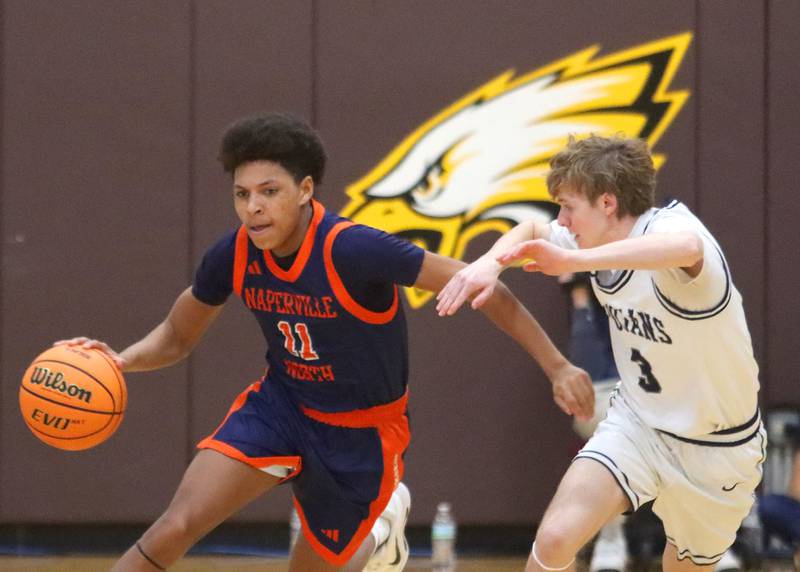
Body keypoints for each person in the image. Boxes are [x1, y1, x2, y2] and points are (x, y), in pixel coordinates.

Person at [57, 112, 593, 572]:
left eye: (270, 192)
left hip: (361, 434)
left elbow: (485, 288)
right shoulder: (235, 253)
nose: (253, 209)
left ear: (306, 190)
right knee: (176, 525)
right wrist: (118, 361)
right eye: (242, 195)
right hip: (281, 407)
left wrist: (558, 365)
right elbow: (177, 336)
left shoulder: (353, 249)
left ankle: (382, 534)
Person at [436, 134, 766, 572]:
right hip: (639, 424)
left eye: (568, 207)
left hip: (716, 446)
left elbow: (686, 249)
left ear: (608, 204)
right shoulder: (590, 239)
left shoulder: (669, 230)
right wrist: (489, 263)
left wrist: (571, 263)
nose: (561, 219)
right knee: (554, 538)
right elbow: (533, 231)